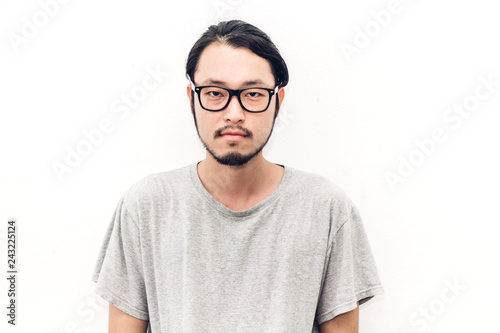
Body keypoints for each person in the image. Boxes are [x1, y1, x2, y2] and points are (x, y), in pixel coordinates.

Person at [92, 19, 384, 333]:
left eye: (253, 94)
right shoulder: (145, 207)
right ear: (192, 99)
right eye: (215, 93)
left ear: (277, 102)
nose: (234, 113)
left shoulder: (326, 208)